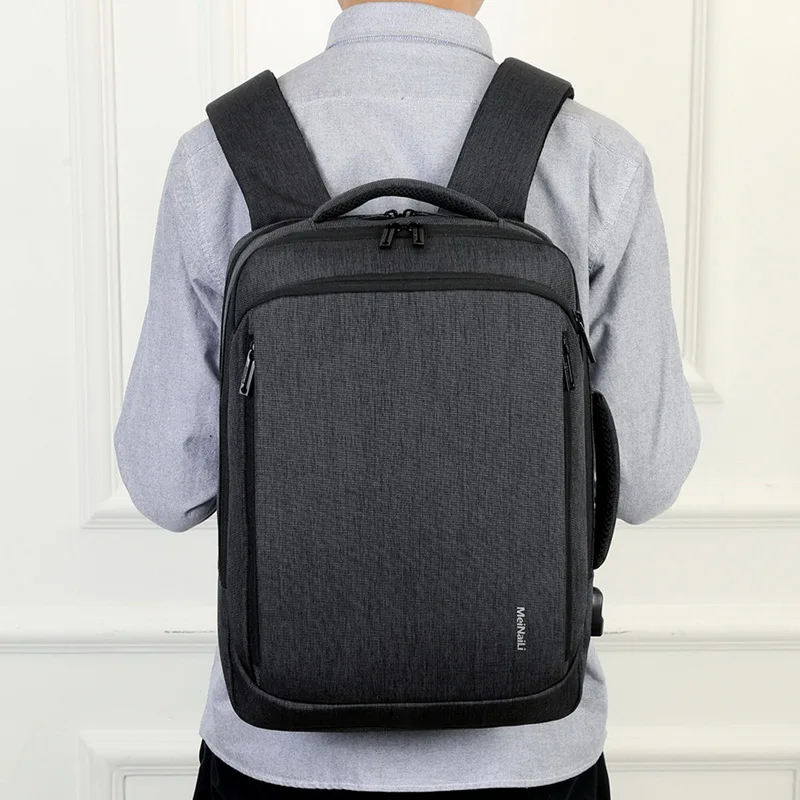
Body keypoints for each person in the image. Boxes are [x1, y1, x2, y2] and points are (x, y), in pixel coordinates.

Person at [113, 0, 702, 796]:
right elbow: (649, 479)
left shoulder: (217, 158)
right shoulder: (595, 157)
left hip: (280, 756)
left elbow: (167, 487)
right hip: (528, 753)